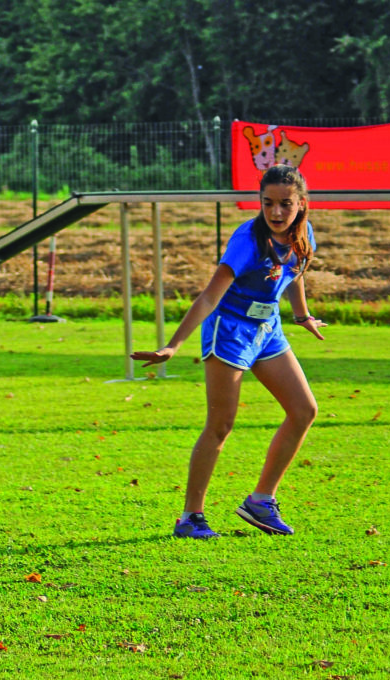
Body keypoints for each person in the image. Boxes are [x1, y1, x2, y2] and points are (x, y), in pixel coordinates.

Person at [131, 164, 327, 539]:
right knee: (220, 425)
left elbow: (294, 271)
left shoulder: (303, 235)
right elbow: (209, 296)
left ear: (302, 203)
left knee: (304, 410)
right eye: (267, 203)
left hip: (268, 329)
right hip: (230, 330)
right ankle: (191, 517)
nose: (275, 212)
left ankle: (260, 502)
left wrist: (302, 316)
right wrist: (173, 345)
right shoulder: (247, 240)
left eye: (285, 204)